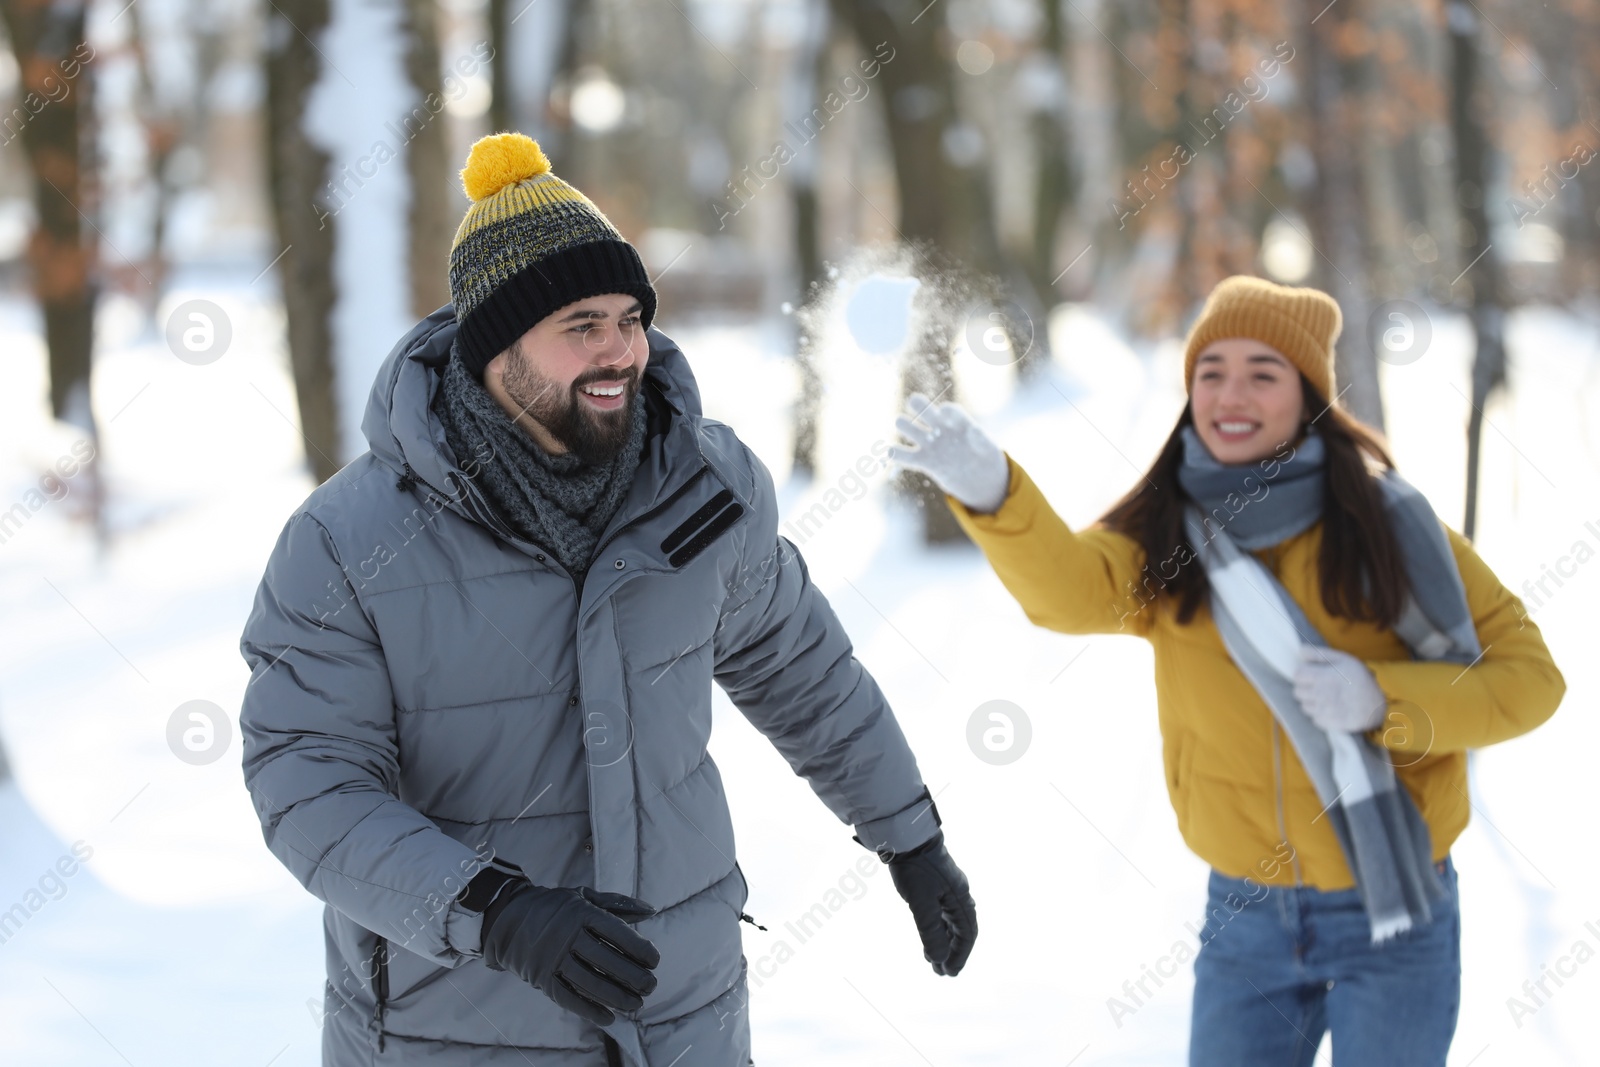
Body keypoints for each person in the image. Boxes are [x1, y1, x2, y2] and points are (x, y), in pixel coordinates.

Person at [238, 132, 977, 1067]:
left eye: (629, 318)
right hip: (456, 1024)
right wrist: (491, 910)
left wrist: (908, 835)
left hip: (681, 1012)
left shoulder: (702, 489)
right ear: (494, 341)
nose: (620, 350)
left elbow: (802, 673)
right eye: (580, 323)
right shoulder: (346, 544)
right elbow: (309, 784)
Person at [889, 275, 1565, 1066]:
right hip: (1245, 916)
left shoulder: (1389, 525)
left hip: (1395, 913)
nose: (1230, 394)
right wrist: (996, 494)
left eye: (1262, 373)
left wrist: (1381, 698)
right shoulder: (1170, 537)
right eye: (1210, 372)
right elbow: (1073, 592)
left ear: (1307, 391)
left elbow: (1530, 680)